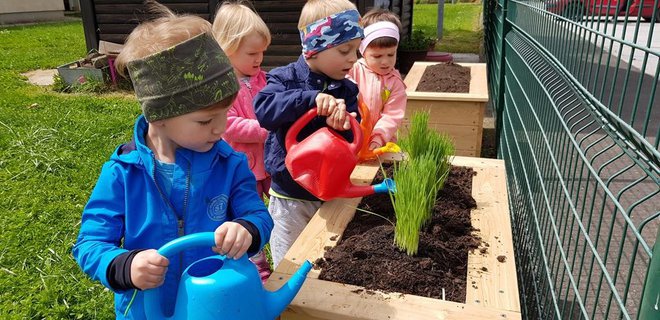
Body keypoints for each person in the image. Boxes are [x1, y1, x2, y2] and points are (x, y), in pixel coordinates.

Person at [72, 2, 273, 319]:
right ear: (158, 114)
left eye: (225, 114)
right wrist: (125, 265)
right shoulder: (124, 173)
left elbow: (258, 215)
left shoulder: (230, 164)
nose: (221, 128)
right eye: (206, 121)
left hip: (216, 307)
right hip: (148, 307)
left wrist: (247, 229)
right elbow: (91, 243)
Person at [254, 0, 363, 268]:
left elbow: (353, 136)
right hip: (290, 195)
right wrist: (309, 99)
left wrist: (344, 124)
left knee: (326, 260)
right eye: (344, 50)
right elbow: (264, 110)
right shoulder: (285, 79)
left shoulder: (347, 91)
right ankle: (290, 305)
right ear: (314, 49)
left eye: (356, 50)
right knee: (288, 263)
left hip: (330, 192)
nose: (354, 58)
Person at [212, 1, 272, 284]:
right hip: (243, 168)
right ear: (227, 48)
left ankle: (284, 243)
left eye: (262, 51)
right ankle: (257, 264)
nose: (259, 58)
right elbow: (230, 126)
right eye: (252, 53)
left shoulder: (263, 79)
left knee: (278, 210)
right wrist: (267, 127)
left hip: (269, 163)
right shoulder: (223, 86)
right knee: (245, 214)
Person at [349, 8, 406, 152]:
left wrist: (379, 137)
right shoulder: (352, 71)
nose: (385, 62)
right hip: (350, 140)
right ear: (362, 51)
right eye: (377, 56)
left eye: (391, 54)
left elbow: (392, 115)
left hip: (381, 143)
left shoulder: (395, 82)